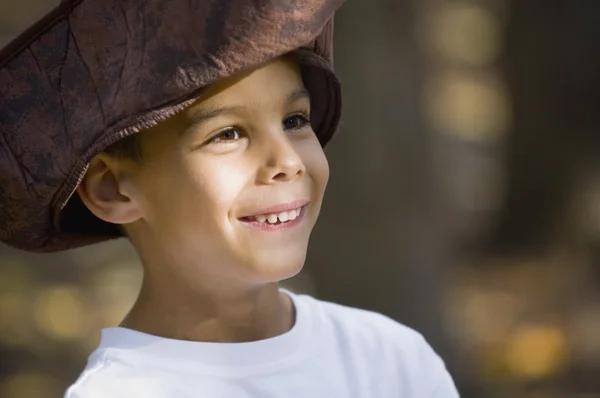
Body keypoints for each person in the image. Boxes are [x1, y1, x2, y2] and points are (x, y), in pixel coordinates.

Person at [0, 0, 460, 397]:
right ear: (112, 189)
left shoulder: (392, 362)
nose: (287, 161)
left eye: (295, 120)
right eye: (228, 133)